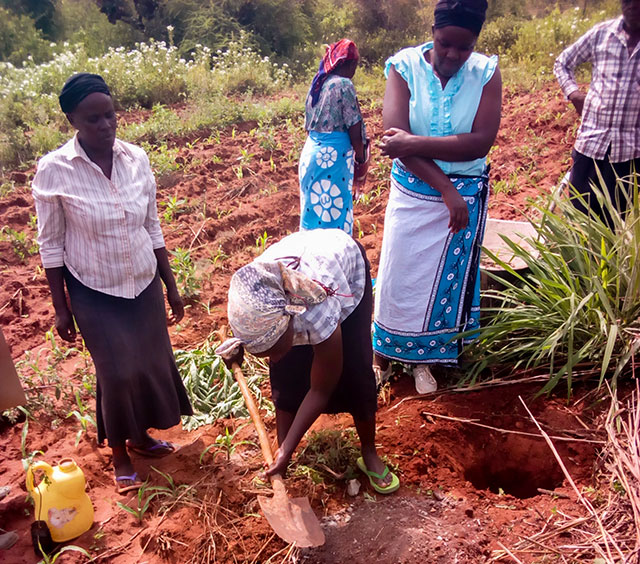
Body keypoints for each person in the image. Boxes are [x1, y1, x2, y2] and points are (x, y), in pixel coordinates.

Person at [32, 73, 192, 494]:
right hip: (94, 289)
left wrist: (169, 284)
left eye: (109, 115)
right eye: (93, 119)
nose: (105, 125)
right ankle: (120, 453)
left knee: (148, 363)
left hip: (141, 280)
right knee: (116, 373)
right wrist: (62, 307)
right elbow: (50, 247)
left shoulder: (135, 158)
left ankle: (141, 438)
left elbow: (152, 227)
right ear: (72, 121)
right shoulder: (54, 171)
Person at [372, 0, 501, 393]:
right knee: (399, 278)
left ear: (475, 42)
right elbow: (396, 142)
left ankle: (424, 360)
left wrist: (416, 141)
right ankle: (382, 356)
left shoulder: (486, 73)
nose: (454, 55)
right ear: (433, 32)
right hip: (416, 192)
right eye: (446, 43)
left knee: (443, 286)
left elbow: (480, 142)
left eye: (464, 47)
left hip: (462, 196)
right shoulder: (403, 68)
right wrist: (445, 188)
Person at [221, 229, 399, 494]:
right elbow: (252, 332)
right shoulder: (252, 300)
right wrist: (237, 350)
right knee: (285, 376)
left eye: (275, 349)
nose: (275, 358)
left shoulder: (318, 309)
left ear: (289, 321)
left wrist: (290, 446)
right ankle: (282, 458)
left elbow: (321, 388)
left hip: (344, 275)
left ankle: (369, 452)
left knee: (354, 372)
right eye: (266, 353)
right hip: (302, 265)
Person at [554, 0, 640, 225]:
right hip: (590, 147)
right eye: (628, 0)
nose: (633, 6)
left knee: (614, 226)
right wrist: (574, 94)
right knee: (579, 222)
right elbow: (562, 63)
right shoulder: (602, 34)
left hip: (629, 156)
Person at [299, 39, 370, 236]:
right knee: (332, 222)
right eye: (354, 66)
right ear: (348, 64)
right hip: (331, 159)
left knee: (314, 216)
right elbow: (354, 127)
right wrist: (362, 158)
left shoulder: (319, 84)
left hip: (311, 154)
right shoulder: (343, 84)